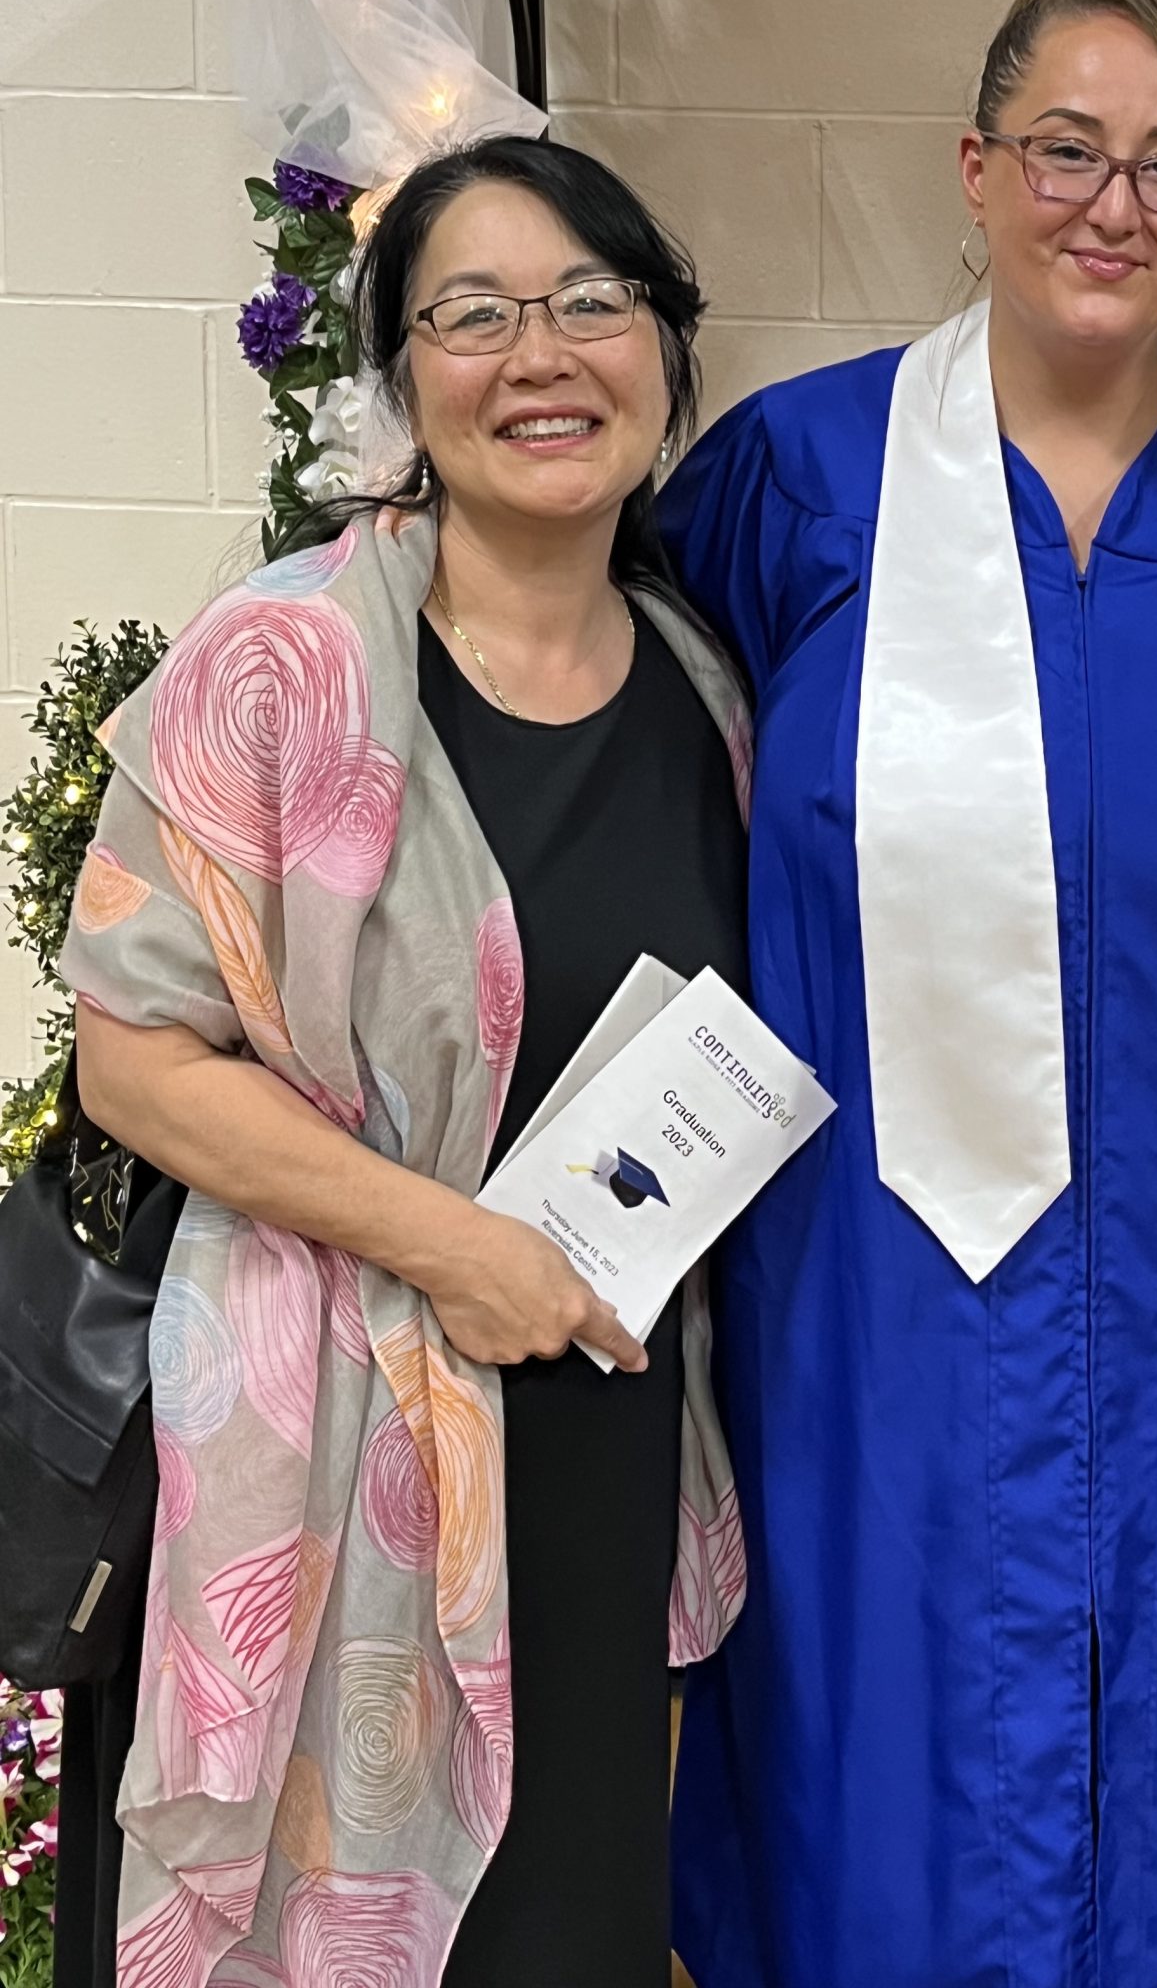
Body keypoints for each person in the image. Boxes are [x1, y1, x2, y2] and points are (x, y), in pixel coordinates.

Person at [656, 0, 1157, 1988]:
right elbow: (629, 750)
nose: (1116, 204)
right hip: (881, 1290)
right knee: (890, 1767)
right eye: (1069, 150)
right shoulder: (797, 475)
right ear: (975, 169)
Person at [56, 136, 750, 1988]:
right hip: (333, 1422)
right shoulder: (282, 665)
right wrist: (456, 1246)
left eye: (593, 302)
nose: (542, 353)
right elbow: (131, 1061)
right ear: (403, 379)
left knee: (568, 1930)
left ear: (667, 354)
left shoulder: (706, 683)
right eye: (473, 313)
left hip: (597, 1436)